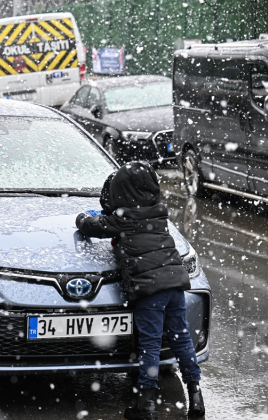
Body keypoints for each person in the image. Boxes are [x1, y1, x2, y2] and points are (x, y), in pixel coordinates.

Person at [76, 162, 205, 420]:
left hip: (150, 289)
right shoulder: (158, 214)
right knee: (182, 340)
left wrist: (82, 218)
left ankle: (146, 406)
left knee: (150, 345)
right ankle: (196, 397)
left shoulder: (122, 219)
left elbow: (91, 227)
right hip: (174, 284)